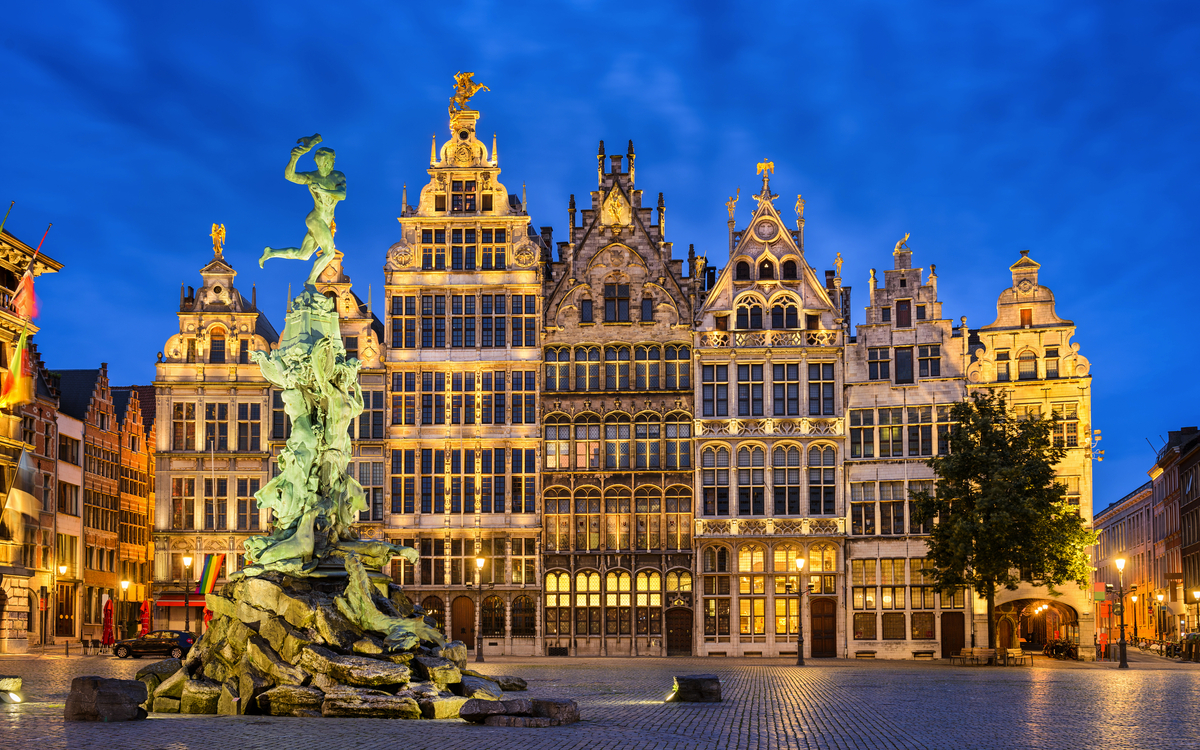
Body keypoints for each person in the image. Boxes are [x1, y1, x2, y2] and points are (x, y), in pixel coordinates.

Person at [259, 134, 346, 286]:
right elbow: (289, 176)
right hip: (316, 218)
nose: (333, 162)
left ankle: (270, 252)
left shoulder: (338, 176)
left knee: (303, 255)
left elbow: (342, 195)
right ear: (323, 162)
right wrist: (294, 158)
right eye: (332, 160)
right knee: (329, 251)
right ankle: (310, 282)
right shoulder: (312, 177)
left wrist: (322, 190)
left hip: (325, 221)